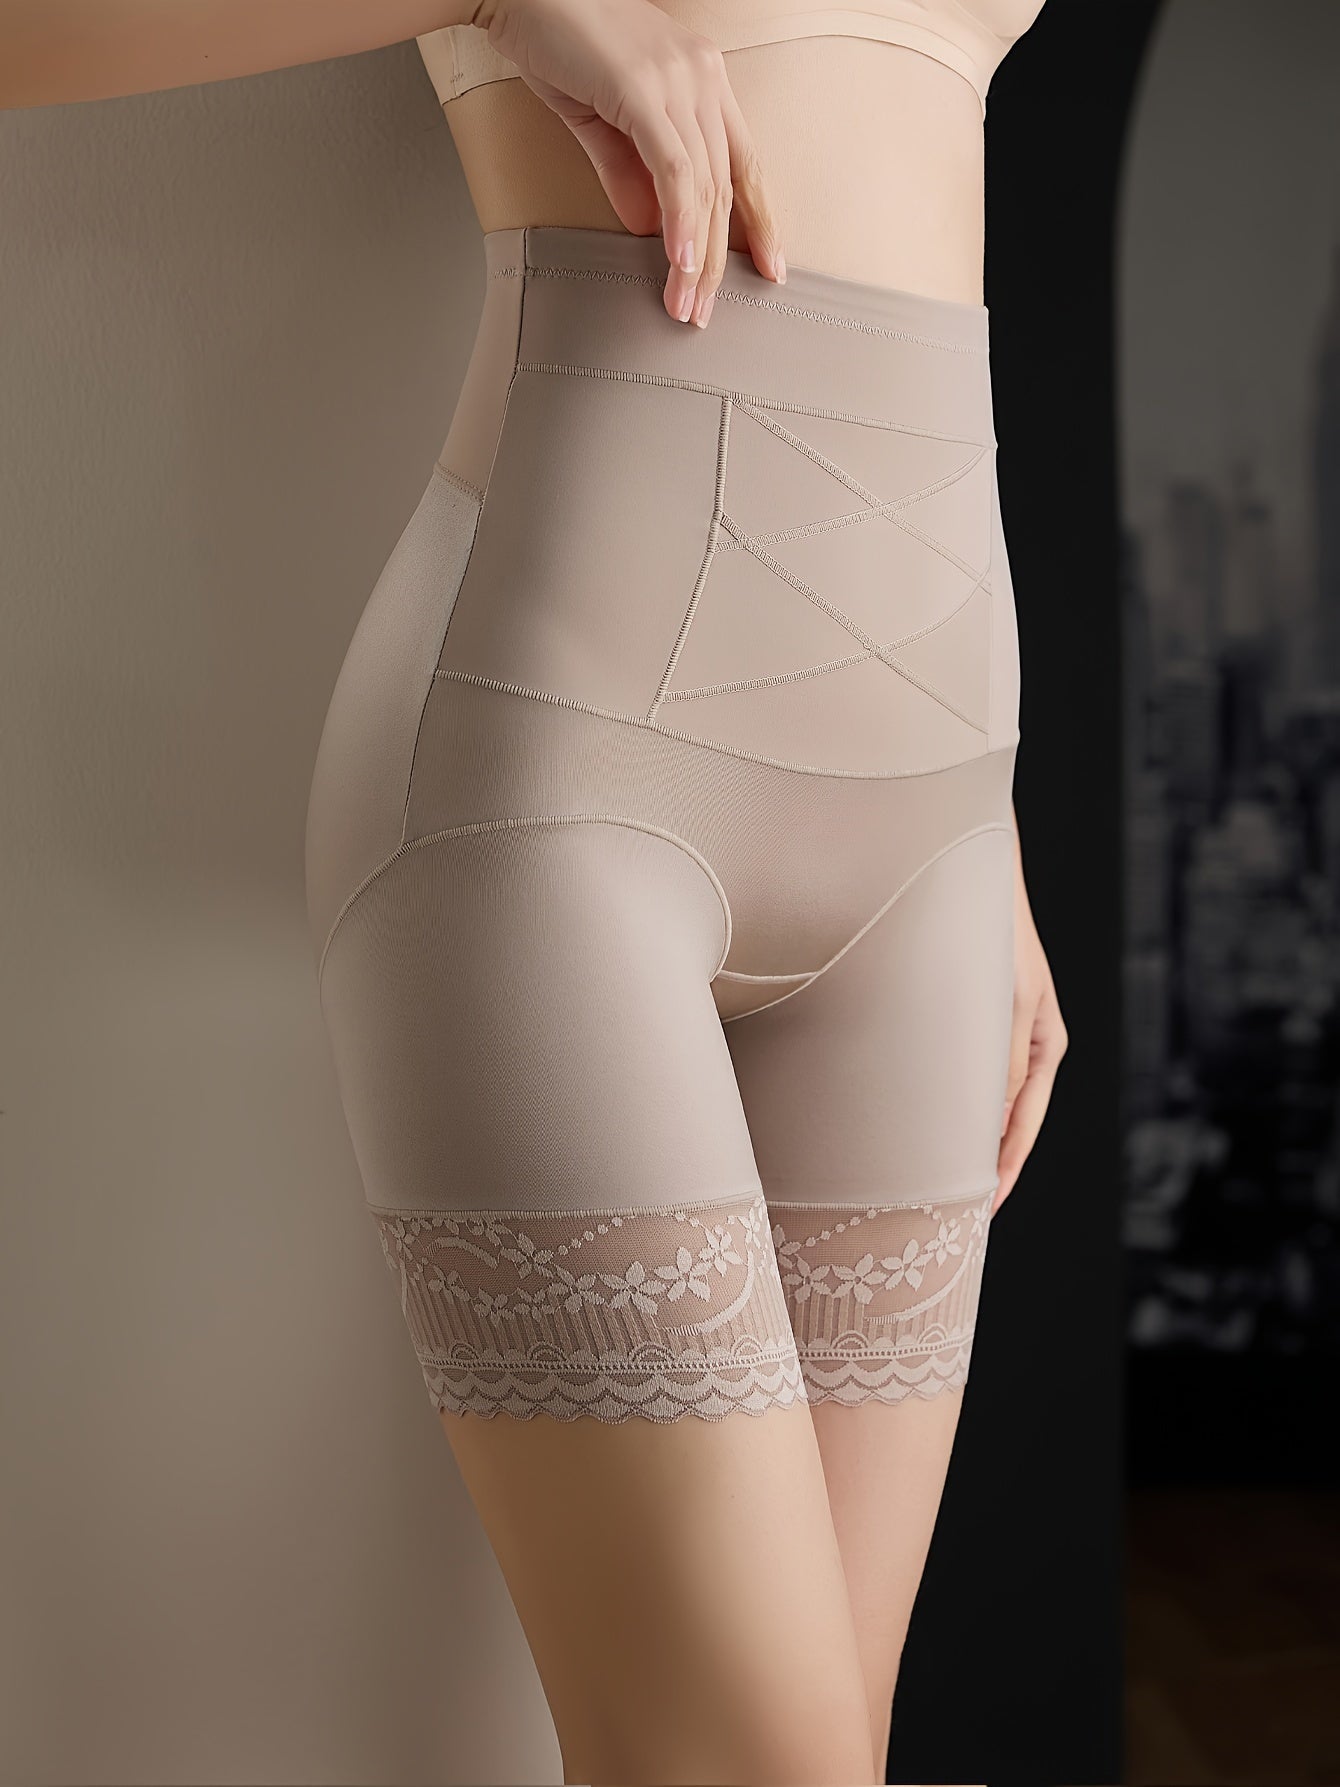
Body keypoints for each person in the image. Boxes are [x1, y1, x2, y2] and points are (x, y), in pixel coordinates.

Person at [5, 2, 1066, 1781]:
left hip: (939, 848)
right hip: (567, 786)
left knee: (827, 1753)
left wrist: (991, 823)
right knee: (752, 1763)